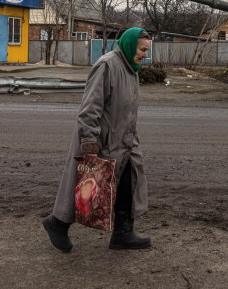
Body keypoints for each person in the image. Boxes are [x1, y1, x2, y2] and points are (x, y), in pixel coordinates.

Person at [43, 28, 152, 252]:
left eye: (146, 50)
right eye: (142, 50)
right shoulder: (108, 65)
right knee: (88, 188)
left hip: (125, 141)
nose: (144, 55)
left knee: (127, 184)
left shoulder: (132, 69)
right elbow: (89, 108)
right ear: (131, 45)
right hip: (103, 140)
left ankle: (123, 234)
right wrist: (89, 142)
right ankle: (57, 223)